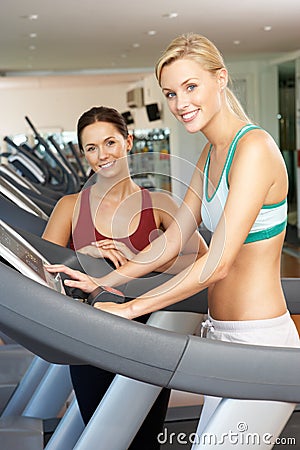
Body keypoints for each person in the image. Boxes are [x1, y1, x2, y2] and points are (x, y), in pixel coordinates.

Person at [46, 34, 300, 445]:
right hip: (220, 337)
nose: (180, 103)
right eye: (170, 93)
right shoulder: (209, 154)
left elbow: (217, 262)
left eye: (191, 86)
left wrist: (133, 310)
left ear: (221, 79)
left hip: (261, 341)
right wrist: (104, 282)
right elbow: (172, 239)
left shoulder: (254, 148)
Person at [43, 105, 206, 449]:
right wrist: (81, 256)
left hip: (149, 339)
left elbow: (201, 259)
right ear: (83, 153)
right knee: (102, 436)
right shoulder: (70, 207)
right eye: (91, 147)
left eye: (110, 142)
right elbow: (42, 272)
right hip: (90, 339)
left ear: (128, 141)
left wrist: (140, 260)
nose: (102, 155)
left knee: (146, 439)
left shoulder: (159, 203)